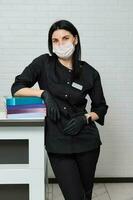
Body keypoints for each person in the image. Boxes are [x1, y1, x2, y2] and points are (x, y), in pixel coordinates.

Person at [11, 20, 108, 200]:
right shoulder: (43, 64)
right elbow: (17, 88)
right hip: (58, 141)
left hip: (87, 141)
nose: (60, 43)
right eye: (55, 40)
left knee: (86, 195)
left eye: (65, 38)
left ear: (75, 39)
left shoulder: (90, 72)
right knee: (75, 197)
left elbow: (101, 107)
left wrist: (85, 118)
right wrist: (43, 93)